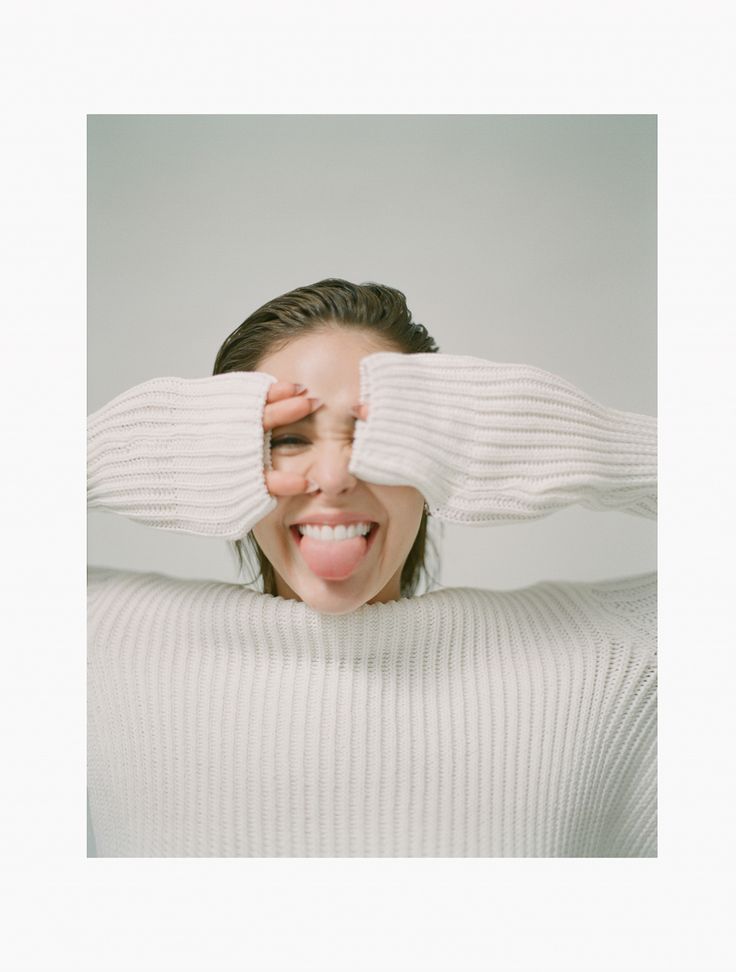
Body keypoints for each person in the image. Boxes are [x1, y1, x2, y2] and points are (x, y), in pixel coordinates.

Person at [87, 278, 657, 857]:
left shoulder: (606, 659)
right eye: (287, 437)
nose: (334, 477)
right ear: (221, 456)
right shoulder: (105, 641)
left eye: (376, 435)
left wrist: (586, 443)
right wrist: (102, 453)